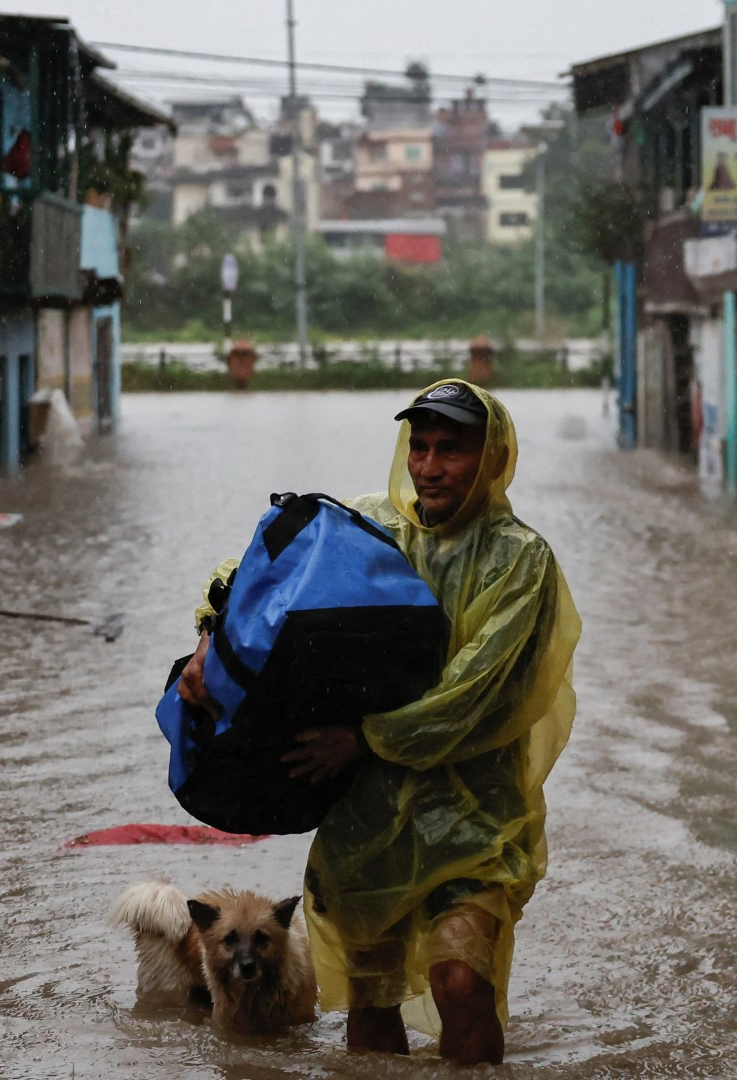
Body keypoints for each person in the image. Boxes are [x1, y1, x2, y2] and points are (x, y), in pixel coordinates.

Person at [178, 380, 581, 1065]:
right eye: (419, 447)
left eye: (451, 450)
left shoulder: (520, 560)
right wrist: (210, 636)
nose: (429, 466)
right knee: (371, 1000)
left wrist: (363, 737)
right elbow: (254, 571)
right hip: (366, 818)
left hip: (474, 818)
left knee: (460, 982)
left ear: (494, 458)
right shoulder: (371, 527)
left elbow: (474, 695)